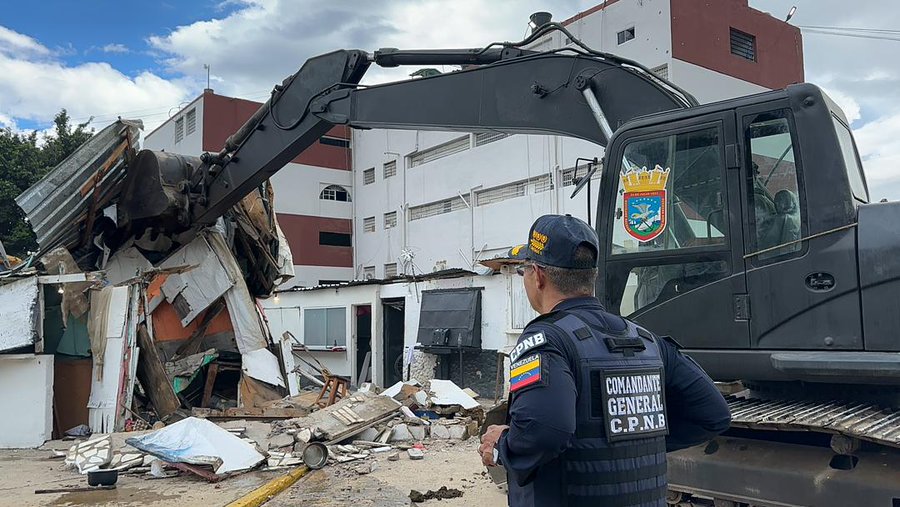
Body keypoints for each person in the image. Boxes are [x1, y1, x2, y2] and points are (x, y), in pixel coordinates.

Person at [479, 214, 731, 507]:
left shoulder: (546, 341)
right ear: (592, 276)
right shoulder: (647, 340)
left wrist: (501, 446)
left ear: (538, 275)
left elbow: (545, 432)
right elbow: (714, 415)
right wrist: (633, 443)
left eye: (523, 271)